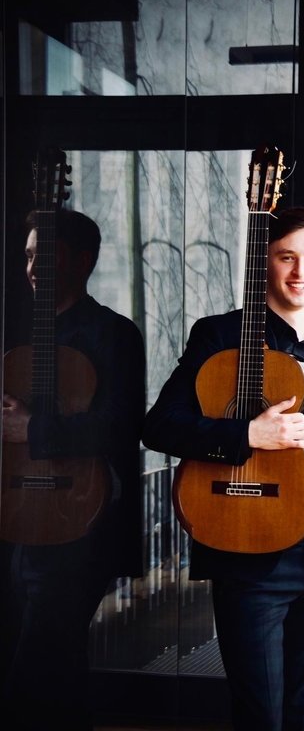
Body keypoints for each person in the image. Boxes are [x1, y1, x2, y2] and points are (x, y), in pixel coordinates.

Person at [142, 205, 304, 731]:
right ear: (265, 262)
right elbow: (159, 427)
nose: (299, 272)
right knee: (260, 715)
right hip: (250, 554)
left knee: (300, 706)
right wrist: (246, 435)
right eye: (286, 257)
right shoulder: (219, 336)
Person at [0, 208, 146, 731]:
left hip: (83, 523)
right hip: (19, 523)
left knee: (32, 672)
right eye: (28, 254)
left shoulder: (114, 335)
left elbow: (118, 428)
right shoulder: (14, 333)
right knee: (59, 670)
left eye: (46, 253)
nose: (33, 264)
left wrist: (32, 429)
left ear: (82, 261)